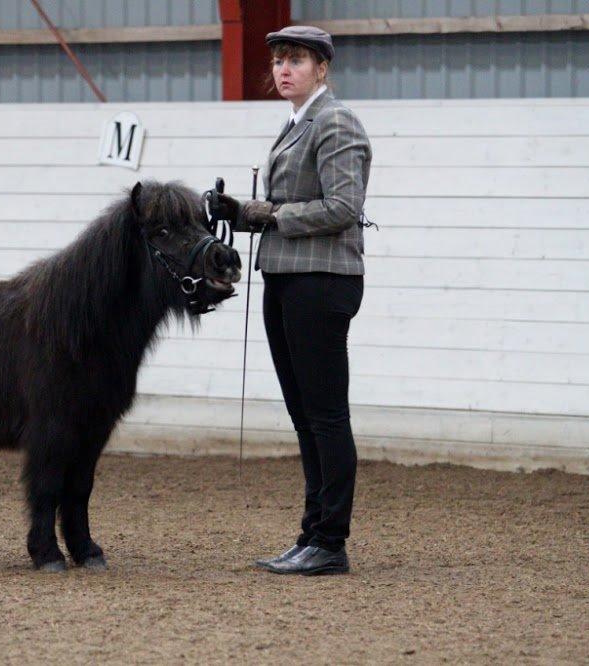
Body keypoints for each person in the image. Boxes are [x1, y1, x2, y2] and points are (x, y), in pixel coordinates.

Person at [207, 25, 371, 575]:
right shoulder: (298, 124)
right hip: (286, 278)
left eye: (296, 60)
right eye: (279, 60)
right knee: (306, 417)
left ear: (322, 69)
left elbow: (342, 206)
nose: (283, 69)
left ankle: (330, 541)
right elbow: (291, 206)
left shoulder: (336, 121)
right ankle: (312, 534)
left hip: (319, 280)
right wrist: (238, 212)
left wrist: (269, 214)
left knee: (325, 416)